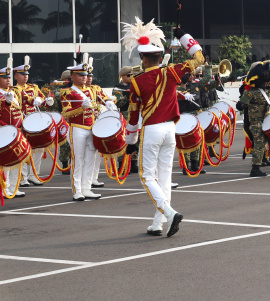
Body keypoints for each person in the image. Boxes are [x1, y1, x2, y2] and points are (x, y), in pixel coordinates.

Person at [123, 17, 204, 237]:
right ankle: (157, 223)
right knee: (164, 177)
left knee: (147, 177)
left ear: (142, 57)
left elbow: (133, 115)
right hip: (170, 130)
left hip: (152, 130)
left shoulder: (137, 82)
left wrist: (130, 142)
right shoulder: (172, 72)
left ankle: (169, 213)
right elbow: (199, 57)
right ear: (159, 56)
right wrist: (183, 35)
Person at [62, 54, 115, 201]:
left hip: (92, 128)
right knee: (78, 160)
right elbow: (66, 113)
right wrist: (81, 108)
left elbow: (104, 98)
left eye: (85, 75)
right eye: (80, 75)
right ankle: (77, 190)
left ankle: (87, 188)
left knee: (91, 159)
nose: (84, 77)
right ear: (73, 76)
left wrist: (109, 102)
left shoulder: (93, 89)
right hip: (77, 128)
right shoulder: (67, 92)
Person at [240, 62, 270, 177]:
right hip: (256, 122)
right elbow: (241, 104)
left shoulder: (265, 90)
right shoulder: (249, 92)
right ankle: (255, 168)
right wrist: (241, 104)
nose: (267, 82)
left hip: (267, 121)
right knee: (259, 145)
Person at [14, 57, 49, 187]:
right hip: (23, 122)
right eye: (22, 75)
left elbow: (43, 98)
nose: (25, 77)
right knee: (24, 149)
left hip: (35, 122)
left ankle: (34, 174)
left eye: (27, 75)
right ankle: (23, 177)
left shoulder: (34, 87)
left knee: (39, 148)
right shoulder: (14, 89)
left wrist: (45, 101)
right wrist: (32, 100)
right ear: (16, 76)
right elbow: (21, 101)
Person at [1, 60, 25, 198]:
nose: (8, 80)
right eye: (5, 78)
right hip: (5, 131)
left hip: (17, 131)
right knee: (6, 161)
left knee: (17, 160)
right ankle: (6, 187)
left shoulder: (12, 93)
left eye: (9, 78)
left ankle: (14, 186)